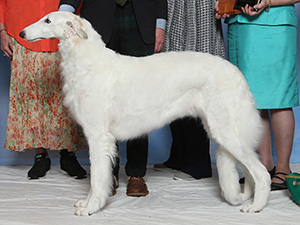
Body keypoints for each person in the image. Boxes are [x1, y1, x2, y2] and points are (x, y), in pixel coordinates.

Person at [59, 0, 167, 196]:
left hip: (141, 21)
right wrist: (62, 15)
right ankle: (109, 174)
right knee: (101, 103)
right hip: (98, 22)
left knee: (138, 100)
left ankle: (137, 174)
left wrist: (160, 24)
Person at [216, 0, 300, 190]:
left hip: (274, 24)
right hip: (241, 24)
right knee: (252, 100)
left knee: (280, 98)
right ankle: (264, 164)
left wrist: (268, 1)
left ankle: (284, 168)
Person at [0, 0, 87, 180]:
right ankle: (41, 155)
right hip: (22, 31)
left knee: (66, 97)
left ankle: (68, 155)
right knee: (31, 97)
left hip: (62, 34)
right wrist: (2, 31)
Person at [154, 0, 226, 180]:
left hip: (200, 9)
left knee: (195, 86)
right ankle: (179, 156)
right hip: (174, 10)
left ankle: (198, 163)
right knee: (173, 88)